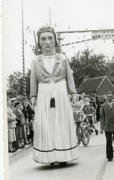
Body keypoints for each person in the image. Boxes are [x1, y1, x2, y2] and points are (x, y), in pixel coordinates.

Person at [30, 26, 78, 166]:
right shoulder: (35, 60)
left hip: (61, 93)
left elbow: (69, 76)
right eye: (43, 39)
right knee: (47, 124)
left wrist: (73, 92)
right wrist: (33, 96)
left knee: (61, 124)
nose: (47, 42)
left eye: (50, 38)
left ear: (55, 40)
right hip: (44, 93)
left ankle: (63, 155)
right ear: (39, 42)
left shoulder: (62, 58)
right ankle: (50, 156)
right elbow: (33, 79)